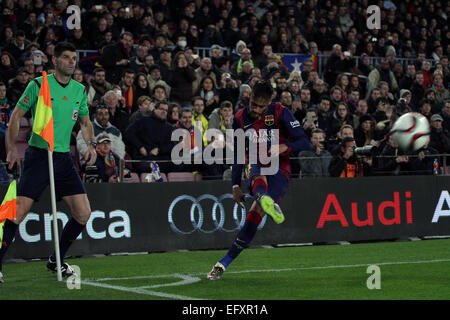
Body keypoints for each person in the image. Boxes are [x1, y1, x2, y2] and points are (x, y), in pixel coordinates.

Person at [0, 42, 97, 282]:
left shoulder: (79, 90)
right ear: (55, 61)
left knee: (83, 213)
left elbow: (85, 122)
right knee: (17, 213)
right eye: (66, 57)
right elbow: (16, 116)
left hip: (63, 159)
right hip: (39, 156)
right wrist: (11, 149)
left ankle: (56, 259)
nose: (71, 62)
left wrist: (91, 144)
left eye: (74, 58)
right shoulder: (38, 85)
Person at [207, 80, 310, 280]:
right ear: (249, 96)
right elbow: (237, 154)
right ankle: (222, 264)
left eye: (261, 106)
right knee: (254, 167)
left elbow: (304, 141)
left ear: (269, 102)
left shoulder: (281, 111)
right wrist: (235, 185)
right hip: (255, 162)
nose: (255, 109)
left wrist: (283, 147)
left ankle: (224, 261)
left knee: (253, 219)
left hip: (281, 166)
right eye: (253, 103)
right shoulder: (238, 118)